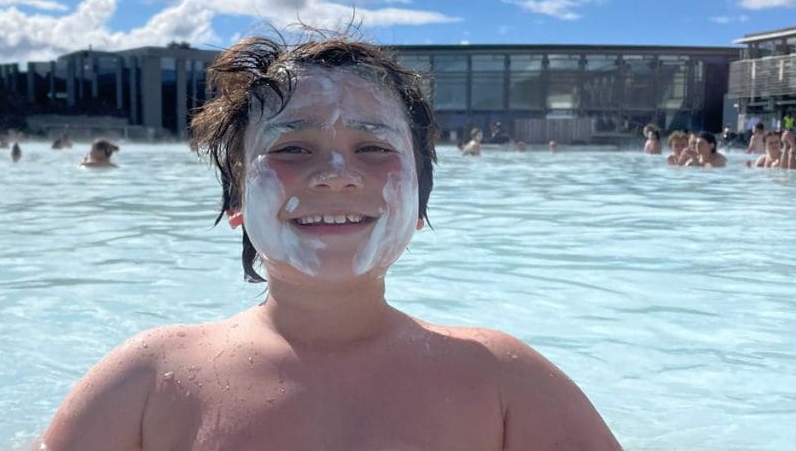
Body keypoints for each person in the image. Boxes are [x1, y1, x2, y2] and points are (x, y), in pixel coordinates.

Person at [41, 34, 621, 450]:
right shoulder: (149, 379)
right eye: (292, 149)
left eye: (375, 149)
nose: (338, 173)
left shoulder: (503, 382)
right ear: (237, 202)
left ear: (420, 203)